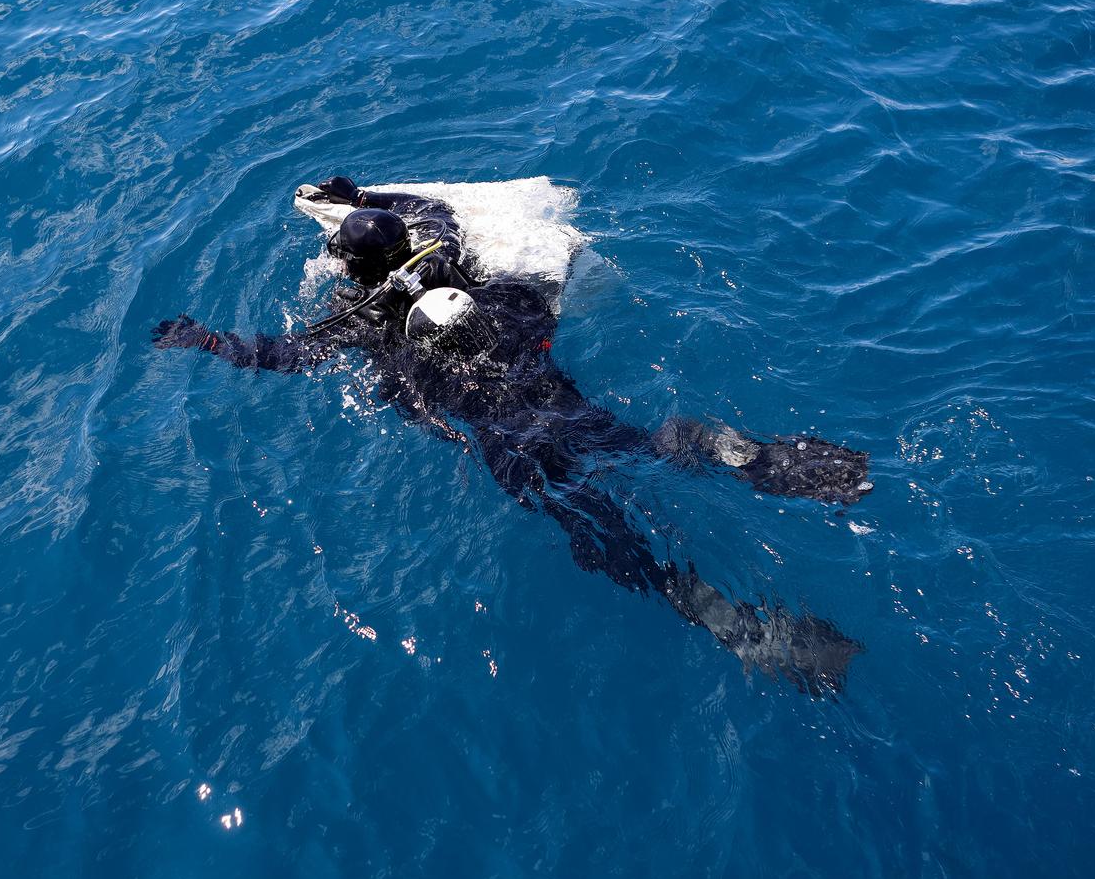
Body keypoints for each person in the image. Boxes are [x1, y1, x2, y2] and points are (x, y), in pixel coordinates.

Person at [153, 177, 871, 694]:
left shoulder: (367, 326)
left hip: (514, 450)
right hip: (564, 408)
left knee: (609, 541)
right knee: (663, 441)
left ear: (353, 268)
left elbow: (285, 353)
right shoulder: (474, 279)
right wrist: (366, 197)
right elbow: (436, 211)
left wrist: (206, 340)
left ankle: (734, 627)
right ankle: (766, 460)